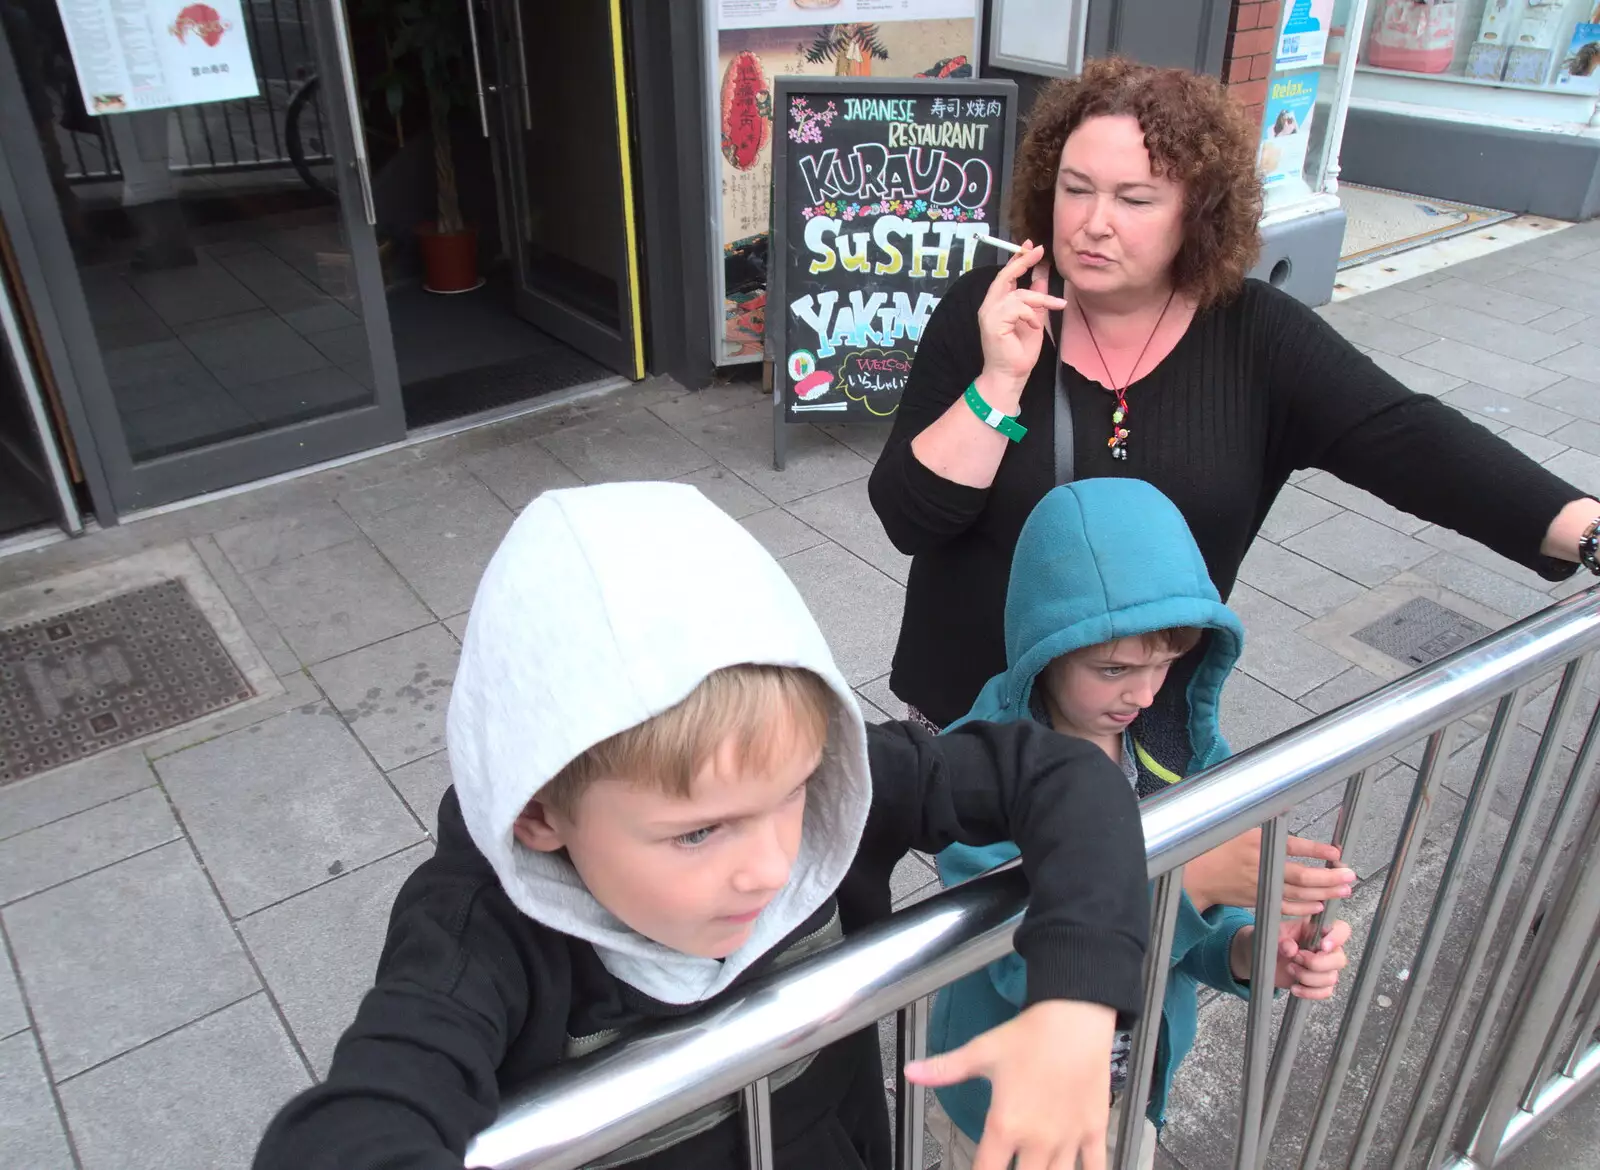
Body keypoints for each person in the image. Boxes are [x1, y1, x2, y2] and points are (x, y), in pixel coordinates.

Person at [252, 481, 1151, 1170]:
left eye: (796, 793)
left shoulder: (842, 780)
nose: (769, 867)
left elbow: (1065, 774)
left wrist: (1077, 1002)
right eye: (697, 834)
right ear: (538, 811)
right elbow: (369, 1109)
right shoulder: (476, 938)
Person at [867, 57, 1600, 739]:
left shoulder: (1257, 335)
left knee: (1118, 875)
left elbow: (1412, 440)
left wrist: (1588, 531)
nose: (1093, 222)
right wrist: (999, 382)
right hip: (974, 705)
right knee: (991, 881)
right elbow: (910, 519)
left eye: (1135, 198)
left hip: (1134, 718)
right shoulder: (988, 309)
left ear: (1198, 212)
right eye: (1076, 187)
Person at [921, 479, 1353, 1170]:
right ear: (1045, 647)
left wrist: (1252, 951)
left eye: (1165, 663)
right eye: (1113, 667)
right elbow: (1012, 960)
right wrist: (1189, 885)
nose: (1144, 693)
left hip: (1134, 1079)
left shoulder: (1178, 743)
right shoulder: (981, 770)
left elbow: (1200, 935)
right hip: (1013, 1096)